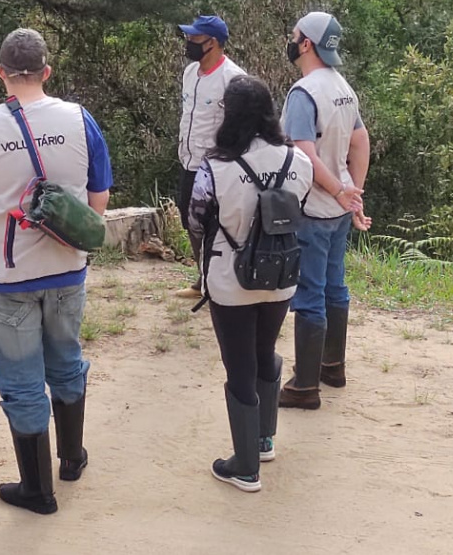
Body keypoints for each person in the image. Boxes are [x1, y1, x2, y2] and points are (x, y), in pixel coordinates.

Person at [0, 28, 112, 515]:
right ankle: (73, 456)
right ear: (47, 71)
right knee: (66, 361)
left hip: (5, 277)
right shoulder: (81, 121)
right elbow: (98, 195)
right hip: (67, 270)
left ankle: (37, 490)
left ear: (1, 74)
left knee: (21, 382)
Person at [189, 75, 313, 492]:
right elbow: (301, 208)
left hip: (229, 278)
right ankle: (262, 441)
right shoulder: (299, 162)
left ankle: (244, 468)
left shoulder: (216, 167)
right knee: (265, 352)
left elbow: (195, 218)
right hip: (280, 276)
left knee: (238, 366)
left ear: (229, 115)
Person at [278, 12, 372, 410]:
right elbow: (360, 141)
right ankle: (333, 366)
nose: (292, 39)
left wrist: (336, 191)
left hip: (313, 209)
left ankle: (305, 386)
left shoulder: (304, 91)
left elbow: (303, 152)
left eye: (295, 35)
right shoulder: (343, 88)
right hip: (336, 210)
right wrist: (353, 191)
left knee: (310, 293)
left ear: (306, 44)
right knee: (336, 286)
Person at [174, 15, 247, 299]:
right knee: (188, 220)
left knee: (218, 225)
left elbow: (241, 126)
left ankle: (221, 283)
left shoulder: (233, 78)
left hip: (219, 167)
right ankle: (203, 279)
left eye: (193, 39)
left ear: (212, 42)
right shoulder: (190, 73)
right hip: (189, 161)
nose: (188, 43)